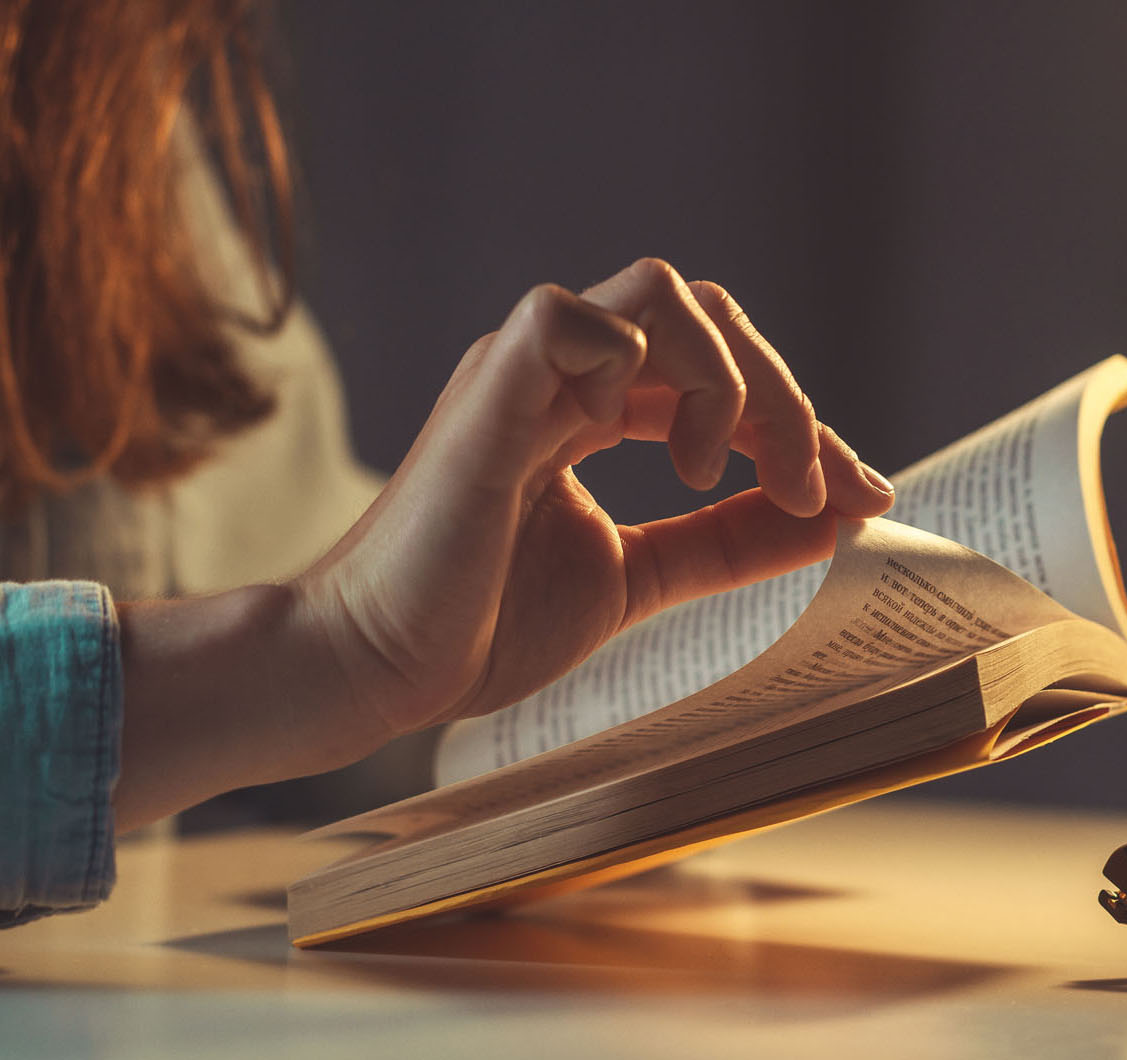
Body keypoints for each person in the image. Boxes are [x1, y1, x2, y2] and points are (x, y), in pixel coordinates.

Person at [0, 0, 894, 925]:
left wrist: (696, 690)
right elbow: (319, 646)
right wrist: (335, 649)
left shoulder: (83, 66)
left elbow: (317, 594)